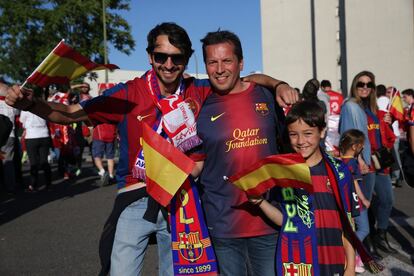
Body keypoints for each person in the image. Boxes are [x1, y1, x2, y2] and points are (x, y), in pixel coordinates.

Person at [6, 22, 297, 276]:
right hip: (137, 198)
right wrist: (30, 104)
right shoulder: (128, 93)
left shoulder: (199, 89)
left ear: (186, 60)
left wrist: (279, 83)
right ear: (150, 57)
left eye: (177, 58)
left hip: (181, 204)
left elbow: (247, 80)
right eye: (161, 57)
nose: (169, 65)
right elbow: (68, 112)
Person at [195, 30, 289, 276]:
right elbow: (196, 162)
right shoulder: (199, 104)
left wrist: (279, 83)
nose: (219, 69)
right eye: (212, 62)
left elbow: (293, 144)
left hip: (269, 218)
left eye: (226, 60)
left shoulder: (266, 95)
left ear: (241, 63)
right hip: (222, 222)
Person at [249, 101, 360, 276]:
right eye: (293, 134)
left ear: (322, 132)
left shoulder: (339, 172)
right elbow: (287, 221)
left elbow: (348, 224)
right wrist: (260, 202)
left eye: (308, 133)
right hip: (299, 262)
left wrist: (351, 266)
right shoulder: (283, 173)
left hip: (333, 260)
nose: (301, 141)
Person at [339, 71, 396, 258]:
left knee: (387, 200)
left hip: (380, 161)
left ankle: (381, 236)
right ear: (355, 86)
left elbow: (379, 130)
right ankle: (367, 244)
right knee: (366, 204)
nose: (364, 87)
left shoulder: (372, 108)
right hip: (365, 162)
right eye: (360, 84)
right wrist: (359, 158)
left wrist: (388, 120)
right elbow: (348, 136)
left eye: (368, 85)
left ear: (373, 88)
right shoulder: (351, 106)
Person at [338, 129, 370, 273]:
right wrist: (364, 199)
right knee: (363, 229)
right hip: (356, 203)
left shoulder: (341, 160)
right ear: (354, 146)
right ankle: (353, 255)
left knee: (355, 229)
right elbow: (355, 183)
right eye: (361, 145)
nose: (363, 147)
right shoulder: (351, 163)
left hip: (347, 202)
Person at [20, 108, 52, 191]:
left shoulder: (25, 109)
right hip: (44, 135)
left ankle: (33, 185)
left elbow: (21, 121)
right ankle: (49, 184)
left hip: (31, 136)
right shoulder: (42, 107)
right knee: (44, 161)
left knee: (34, 162)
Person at [0, 79, 19, 193]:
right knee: (8, 161)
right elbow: (17, 115)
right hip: (10, 135)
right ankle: (10, 186)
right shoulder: (13, 102)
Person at [321, 79, 344, 155]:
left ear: (322, 87)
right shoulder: (339, 95)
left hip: (329, 119)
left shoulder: (323, 96)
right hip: (338, 119)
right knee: (337, 141)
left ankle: (330, 159)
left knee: (328, 143)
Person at [91, 121, 117, 186]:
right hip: (111, 134)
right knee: (110, 157)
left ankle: (103, 171)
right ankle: (111, 175)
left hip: (99, 135)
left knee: (96, 156)